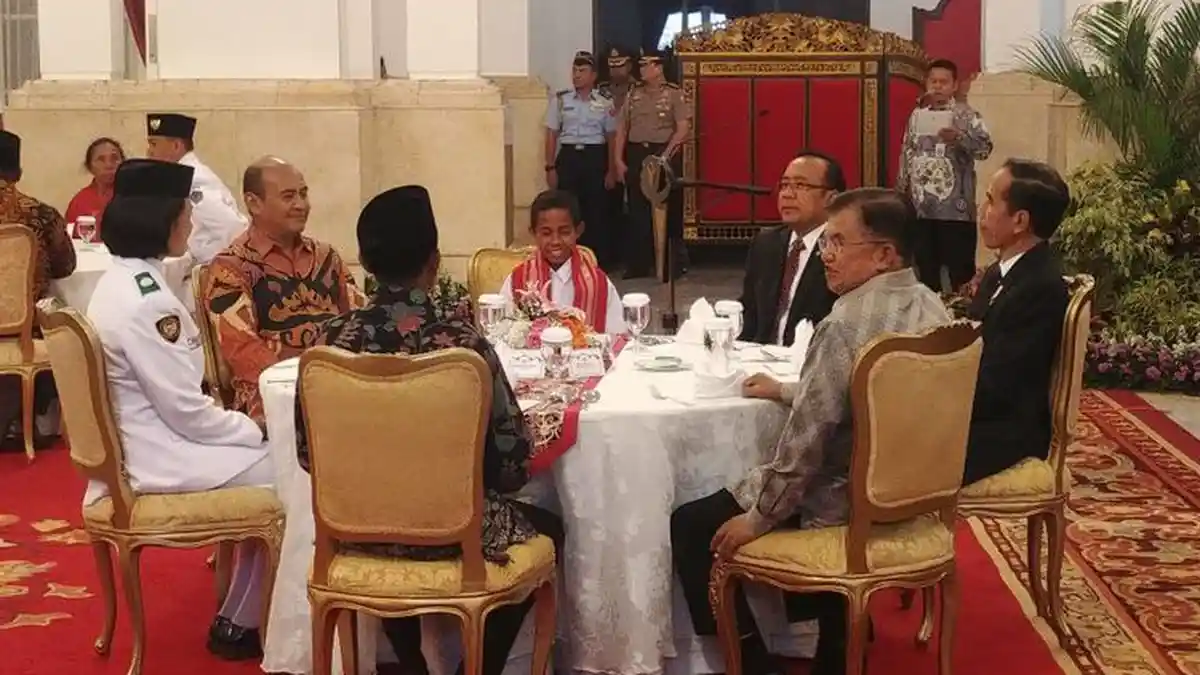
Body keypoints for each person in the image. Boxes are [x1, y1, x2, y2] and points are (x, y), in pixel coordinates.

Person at [670, 188, 950, 675]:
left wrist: (759, 516)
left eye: (840, 243)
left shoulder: (843, 324)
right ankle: (837, 631)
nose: (828, 256)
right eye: (827, 244)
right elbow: (870, 389)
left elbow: (805, 446)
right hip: (910, 494)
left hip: (840, 502)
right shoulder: (934, 310)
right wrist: (784, 389)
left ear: (884, 255)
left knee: (692, 524)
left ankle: (752, 661)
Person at [295, 185, 564, 675]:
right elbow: (511, 466)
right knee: (551, 528)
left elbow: (307, 455)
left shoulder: (328, 344)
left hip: (355, 530)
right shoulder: (462, 348)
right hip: (451, 536)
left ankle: (414, 665)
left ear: (365, 264)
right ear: (434, 262)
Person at [86, 158, 273, 661]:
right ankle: (258, 623)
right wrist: (255, 429)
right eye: (183, 212)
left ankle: (244, 615)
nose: (192, 221)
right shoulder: (150, 303)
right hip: (163, 455)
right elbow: (188, 413)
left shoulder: (122, 281)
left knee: (290, 464)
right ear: (162, 221)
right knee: (301, 469)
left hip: (146, 443)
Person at [202, 156, 357, 423]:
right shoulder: (231, 268)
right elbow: (243, 351)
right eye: (288, 197)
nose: (301, 205)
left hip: (342, 385)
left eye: (303, 194)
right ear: (254, 203)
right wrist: (307, 387)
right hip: (272, 395)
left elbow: (359, 318)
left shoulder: (327, 257)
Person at [964, 159, 1070, 484]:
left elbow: (1001, 385)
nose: (982, 209)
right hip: (979, 414)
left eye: (992, 200)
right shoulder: (1000, 272)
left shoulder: (1040, 287)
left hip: (1005, 433)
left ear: (1020, 220)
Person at [0, 129, 76, 450]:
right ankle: (30, 418)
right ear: (17, 173)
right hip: (25, 330)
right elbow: (66, 266)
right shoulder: (41, 214)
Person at [896, 58, 993, 292]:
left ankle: (962, 322)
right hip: (922, 209)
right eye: (933, 81)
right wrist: (902, 191)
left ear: (954, 85)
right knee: (925, 271)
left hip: (955, 210)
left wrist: (959, 138)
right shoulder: (917, 115)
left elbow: (985, 149)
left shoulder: (967, 115)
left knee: (959, 272)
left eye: (943, 82)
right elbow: (907, 151)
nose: (938, 87)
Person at [738, 151, 842, 345]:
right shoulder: (766, 243)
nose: (787, 194)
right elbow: (748, 314)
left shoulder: (841, 248)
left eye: (800, 186)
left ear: (831, 198)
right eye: (784, 185)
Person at [500, 189, 625, 334]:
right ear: (534, 233)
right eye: (546, 233)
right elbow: (503, 333)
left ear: (578, 231)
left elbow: (618, 336)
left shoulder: (598, 283)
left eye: (564, 232)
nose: (556, 241)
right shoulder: (518, 280)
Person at [613, 47, 691, 280]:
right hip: (637, 153)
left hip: (663, 153)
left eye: (647, 65)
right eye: (641, 65)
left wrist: (666, 156)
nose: (642, 70)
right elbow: (622, 128)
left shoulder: (674, 93)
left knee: (667, 210)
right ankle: (638, 264)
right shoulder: (633, 94)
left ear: (658, 68)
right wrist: (618, 159)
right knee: (637, 211)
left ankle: (669, 265)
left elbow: (683, 128)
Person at [545, 50, 617, 269]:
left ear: (593, 75)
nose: (577, 75)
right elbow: (551, 134)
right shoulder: (561, 100)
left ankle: (595, 262)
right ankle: (568, 260)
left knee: (596, 210)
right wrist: (549, 166)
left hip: (594, 157)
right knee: (568, 209)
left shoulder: (605, 102)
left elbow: (611, 137)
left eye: (582, 71)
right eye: (575, 70)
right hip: (569, 158)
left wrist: (612, 169)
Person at [146, 112, 248, 265]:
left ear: (176, 146)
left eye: (154, 144)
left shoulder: (194, 180)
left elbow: (233, 226)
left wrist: (198, 255)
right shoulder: (179, 177)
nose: (149, 152)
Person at [599, 45, 636, 268]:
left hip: (633, 147)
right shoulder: (601, 90)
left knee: (634, 206)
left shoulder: (638, 89)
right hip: (606, 148)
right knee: (609, 204)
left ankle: (633, 255)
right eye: (612, 66)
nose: (615, 70)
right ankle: (611, 255)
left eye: (620, 65)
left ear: (629, 65)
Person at [64, 137, 126, 238]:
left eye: (114, 158)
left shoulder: (134, 197)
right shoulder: (80, 202)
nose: (109, 165)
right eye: (101, 160)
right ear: (90, 167)